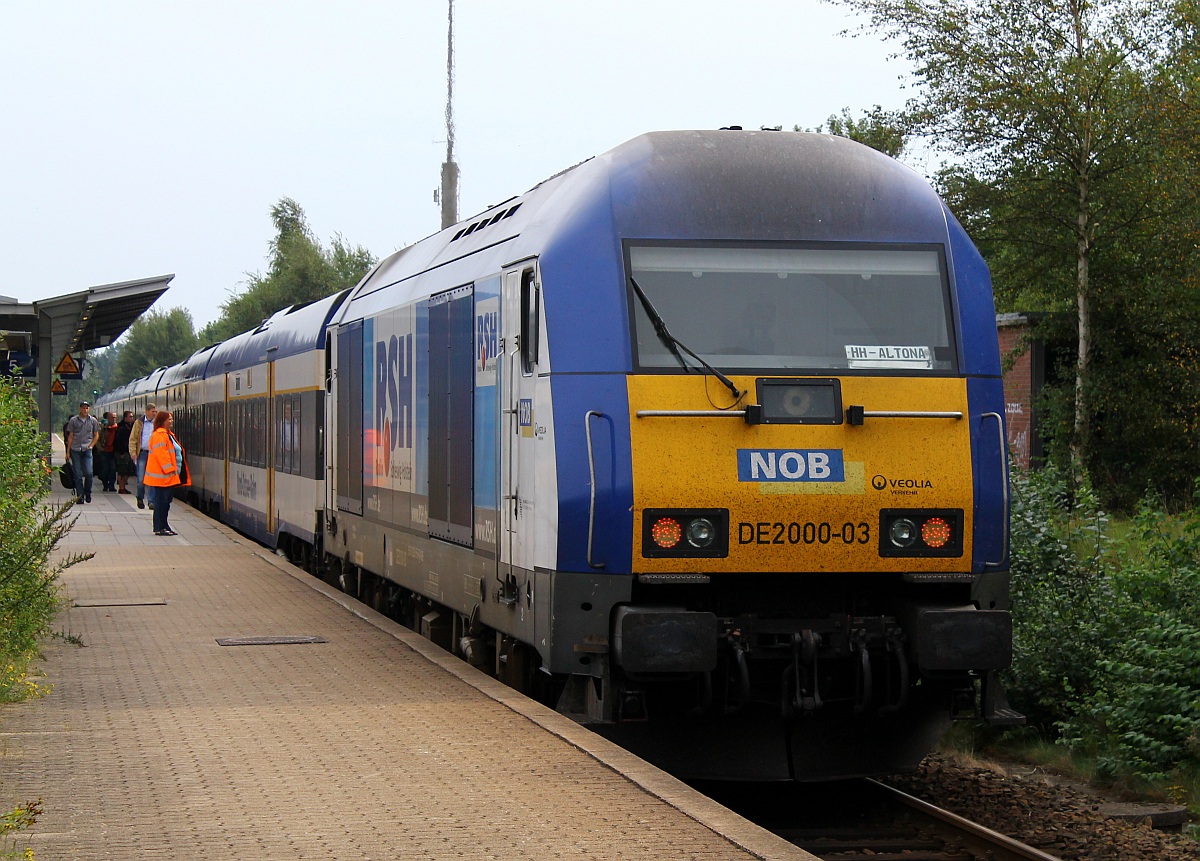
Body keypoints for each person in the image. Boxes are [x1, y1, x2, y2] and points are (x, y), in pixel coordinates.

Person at [142, 410, 189, 537]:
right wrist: (170, 469)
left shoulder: (167, 434)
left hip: (168, 477)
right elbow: (161, 455)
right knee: (161, 503)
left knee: (165, 503)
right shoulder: (159, 435)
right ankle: (159, 527)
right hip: (162, 477)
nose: (171, 421)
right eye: (169, 419)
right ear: (162, 421)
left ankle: (164, 525)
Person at [64, 401, 101, 503]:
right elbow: (70, 436)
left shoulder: (93, 421)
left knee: (89, 473)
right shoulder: (73, 421)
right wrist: (68, 452)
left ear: (89, 409)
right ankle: (80, 496)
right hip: (75, 449)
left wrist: (91, 446)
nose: (85, 410)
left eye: (87, 408)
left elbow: (96, 435)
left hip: (87, 450)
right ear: (80, 409)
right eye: (83, 408)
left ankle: (87, 492)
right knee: (77, 474)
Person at [129, 403, 158, 510]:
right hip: (142, 453)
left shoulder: (157, 424)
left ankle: (151, 501)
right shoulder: (139, 423)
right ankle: (140, 498)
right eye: (152, 412)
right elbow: (133, 439)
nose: (154, 414)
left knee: (152, 479)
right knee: (141, 479)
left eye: (155, 412)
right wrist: (133, 453)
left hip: (154, 454)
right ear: (147, 411)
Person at [113, 411, 136, 494]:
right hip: (122, 452)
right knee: (122, 470)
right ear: (125, 417)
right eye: (130, 417)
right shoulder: (122, 427)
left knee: (128, 470)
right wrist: (121, 452)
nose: (132, 418)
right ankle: (121, 488)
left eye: (132, 417)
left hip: (127, 451)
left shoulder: (130, 426)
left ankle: (123, 487)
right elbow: (119, 441)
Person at [96, 412, 118, 492]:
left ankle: (111, 485)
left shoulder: (117, 428)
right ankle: (105, 485)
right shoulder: (103, 428)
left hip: (113, 452)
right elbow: (97, 439)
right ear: (108, 418)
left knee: (113, 469)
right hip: (104, 451)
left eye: (115, 417)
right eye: (112, 417)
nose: (114, 419)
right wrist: (100, 448)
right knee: (105, 469)